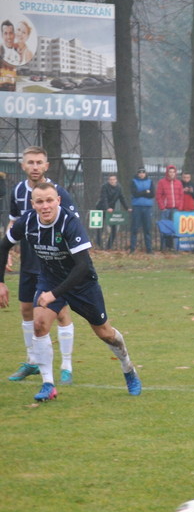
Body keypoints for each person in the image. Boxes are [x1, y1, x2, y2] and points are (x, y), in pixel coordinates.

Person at [0, 182, 142, 401]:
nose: (45, 206)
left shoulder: (69, 222)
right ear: (32, 204)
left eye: (49, 200)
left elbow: (82, 266)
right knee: (39, 325)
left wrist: (55, 294)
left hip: (82, 283)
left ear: (58, 201)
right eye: (40, 201)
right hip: (50, 279)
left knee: (105, 333)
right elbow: (3, 245)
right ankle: (48, 385)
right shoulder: (27, 221)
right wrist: (1, 282)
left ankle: (128, 368)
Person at [7, 146, 79, 385]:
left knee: (59, 312)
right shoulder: (17, 191)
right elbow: (13, 224)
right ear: (23, 165)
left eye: (39, 162)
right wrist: (7, 251)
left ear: (46, 166)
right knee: (27, 310)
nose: (35, 167)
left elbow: (73, 227)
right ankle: (33, 361)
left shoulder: (59, 193)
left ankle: (66, 364)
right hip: (29, 260)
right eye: (30, 162)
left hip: (54, 263)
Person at [95, 174, 127, 250]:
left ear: (116, 180)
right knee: (99, 227)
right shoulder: (104, 187)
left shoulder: (119, 188)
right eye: (111, 180)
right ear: (108, 180)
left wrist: (127, 208)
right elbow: (104, 198)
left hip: (111, 209)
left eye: (113, 179)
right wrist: (107, 208)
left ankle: (109, 246)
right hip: (101, 208)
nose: (112, 181)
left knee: (114, 228)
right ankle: (99, 244)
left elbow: (122, 198)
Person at [155, 165, 184, 251]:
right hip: (166, 209)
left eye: (173, 172)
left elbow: (181, 196)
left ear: (175, 173)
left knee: (174, 228)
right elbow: (158, 196)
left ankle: (173, 247)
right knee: (164, 229)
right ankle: (163, 247)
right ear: (167, 173)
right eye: (170, 172)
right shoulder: (162, 182)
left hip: (175, 209)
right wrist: (162, 207)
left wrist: (180, 207)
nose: (171, 174)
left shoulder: (178, 183)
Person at [129, 167, 154, 254]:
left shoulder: (150, 182)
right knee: (135, 228)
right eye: (140, 173)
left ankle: (149, 248)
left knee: (147, 229)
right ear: (138, 174)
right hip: (137, 207)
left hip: (147, 207)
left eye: (143, 173)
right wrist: (145, 192)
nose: (142, 174)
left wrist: (142, 193)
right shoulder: (134, 182)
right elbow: (135, 193)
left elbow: (152, 194)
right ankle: (132, 248)